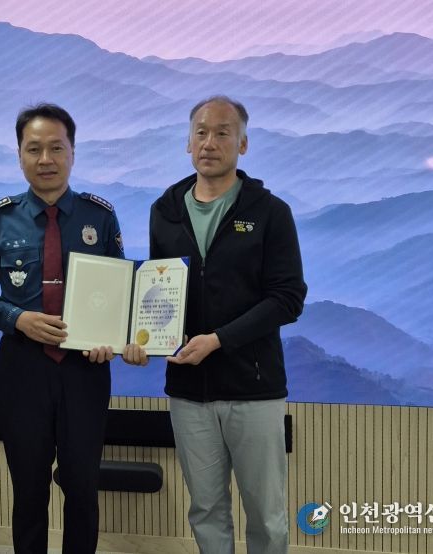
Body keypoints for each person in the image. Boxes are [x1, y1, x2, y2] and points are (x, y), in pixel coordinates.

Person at [0, 103, 147, 554]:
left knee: (82, 487)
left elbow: (119, 290)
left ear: (72, 153)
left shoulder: (98, 216)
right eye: (34, 149)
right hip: (22, 366)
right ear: (19, 155)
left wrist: (113, 340)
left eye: (56, 148)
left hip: (86, 369)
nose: (45, 159)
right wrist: (17, 318)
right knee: (28, 489)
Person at [149, 96, 307, 554]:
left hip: (253, 388)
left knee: (267, 515)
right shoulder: (165, 210)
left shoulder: (270, 212)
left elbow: (288, 298)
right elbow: (158, 290)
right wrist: (141, 338)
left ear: (243, 144)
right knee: (205, 510)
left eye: (223, 133)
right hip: (188, 389)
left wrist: (219, 340)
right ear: (187, 143)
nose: (209, 143)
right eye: (200, 132)